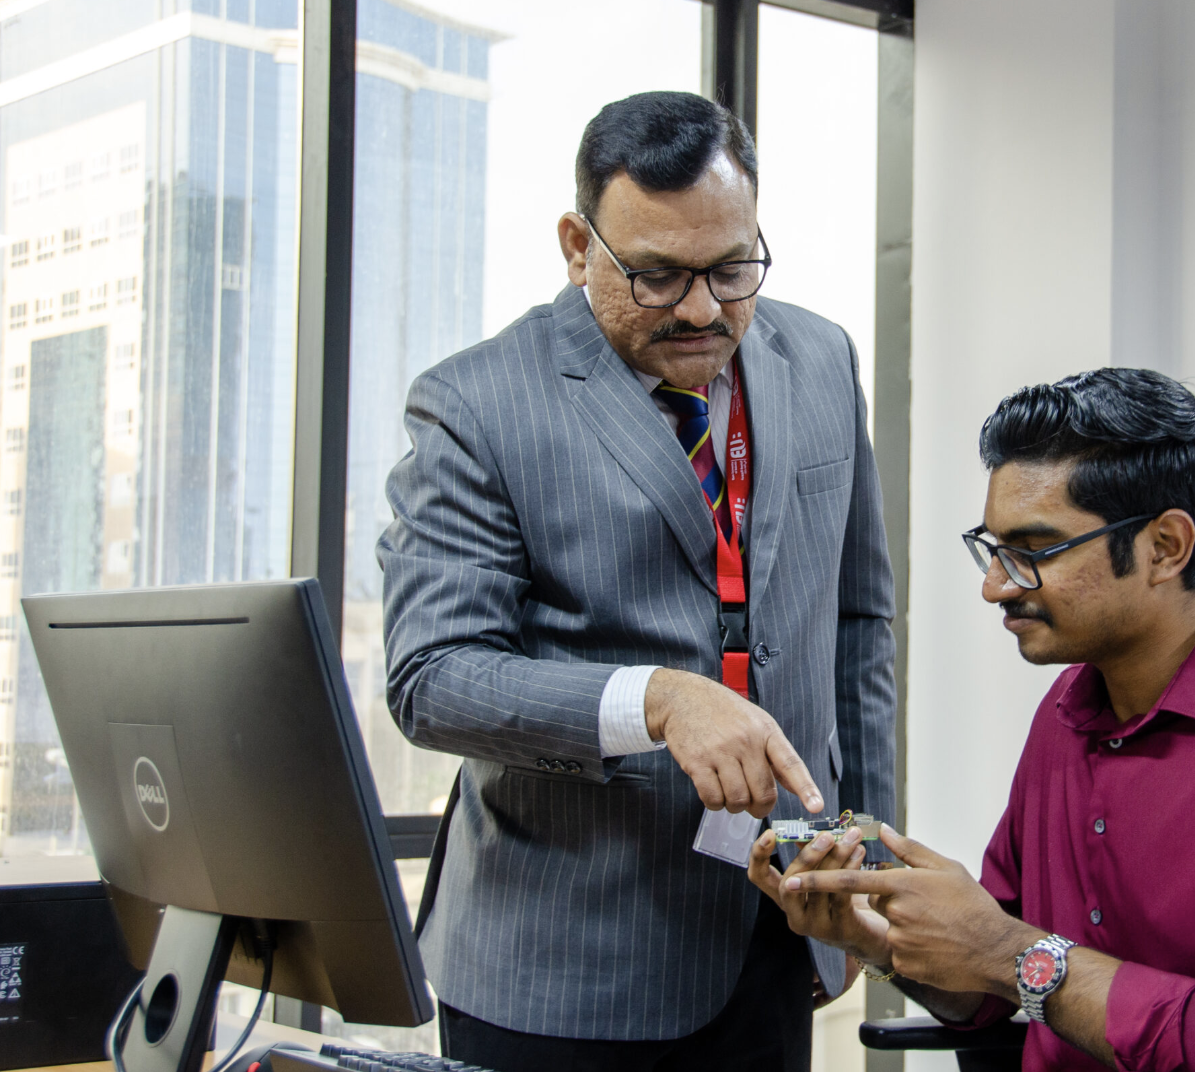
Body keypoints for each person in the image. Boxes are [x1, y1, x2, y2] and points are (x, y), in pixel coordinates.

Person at [379, 90, 897, 1071]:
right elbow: (432, 678)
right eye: (656, 276)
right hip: (563, 965)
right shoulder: (476, 404)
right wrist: (654, 700)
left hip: (774, 930)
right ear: (579, 247)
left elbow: (858, 624)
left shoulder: (822, 359)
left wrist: (862, 856)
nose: (701, 309)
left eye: (732, 268)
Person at [749, 368, 1195, 1071]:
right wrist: (872, 939)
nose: (995, 587)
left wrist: (1007, 952)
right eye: (993, 550)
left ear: (1165, 547)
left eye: (1032, 552)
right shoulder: (1068, 711)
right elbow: (990, 992)